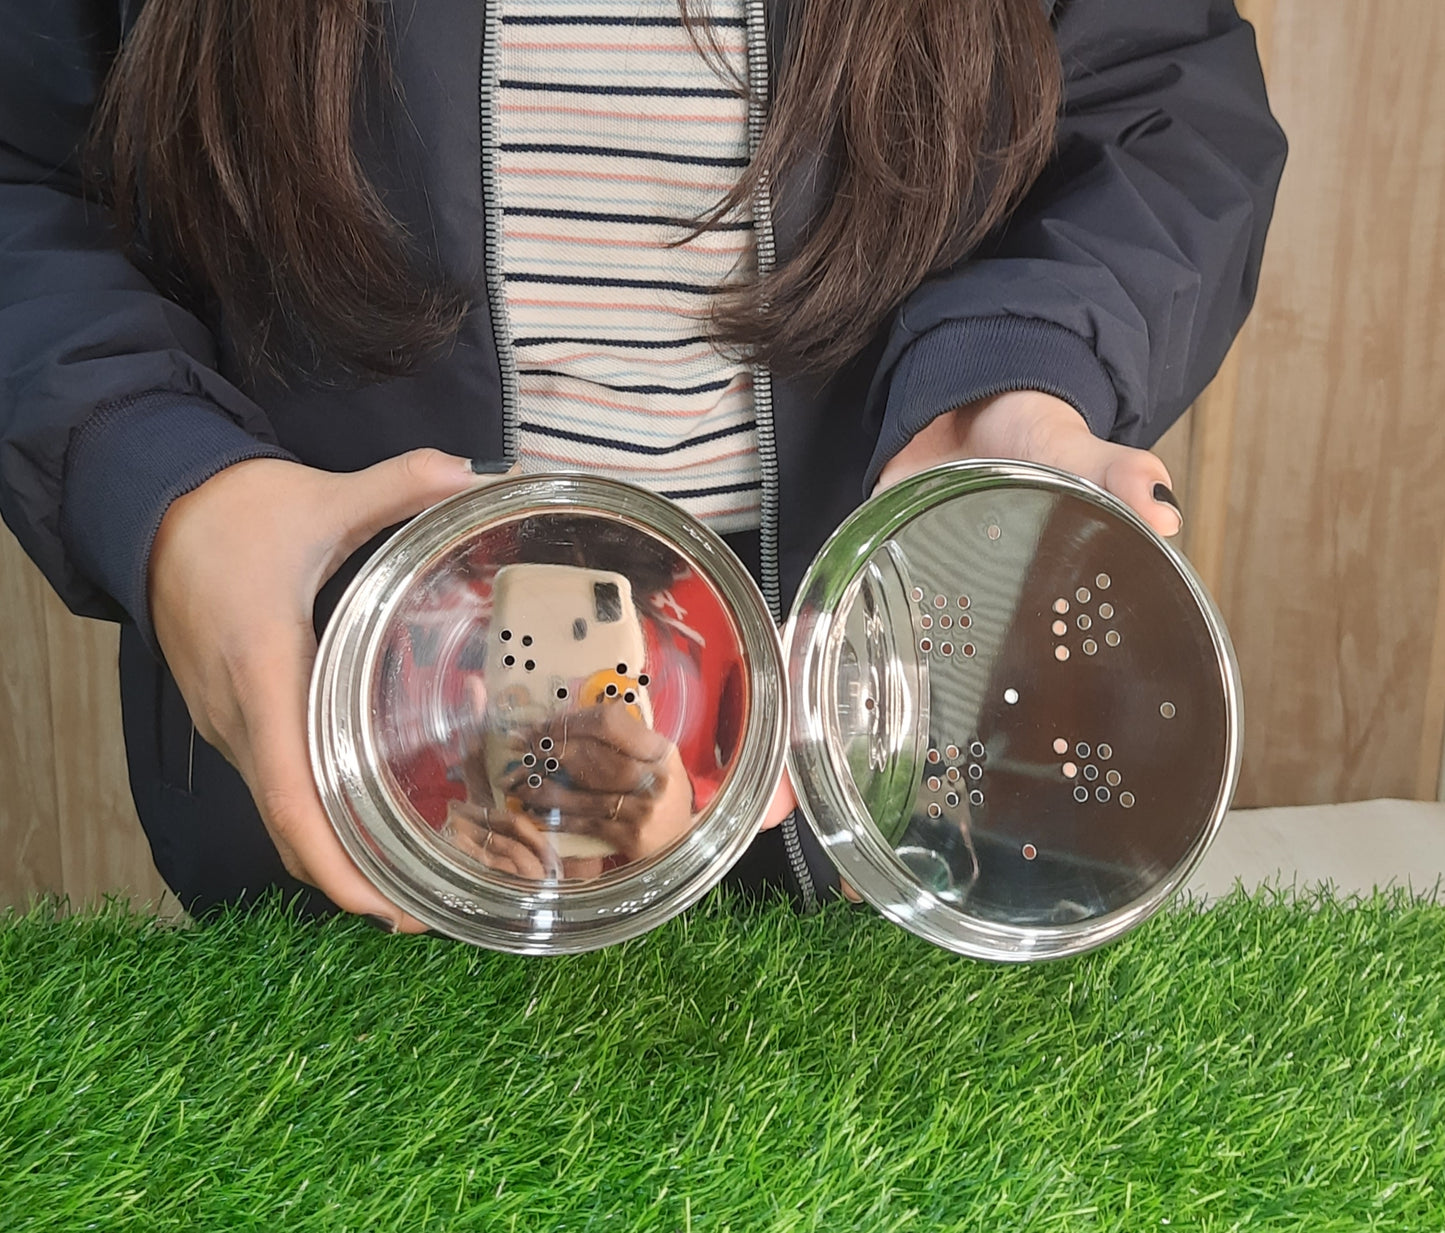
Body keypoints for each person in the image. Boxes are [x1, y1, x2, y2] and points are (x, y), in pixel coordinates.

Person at [0, 0, 1287, 933]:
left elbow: (1165, 102)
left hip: (877, 789)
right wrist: (157, 476)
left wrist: (1021, 365)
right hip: (362, 784)